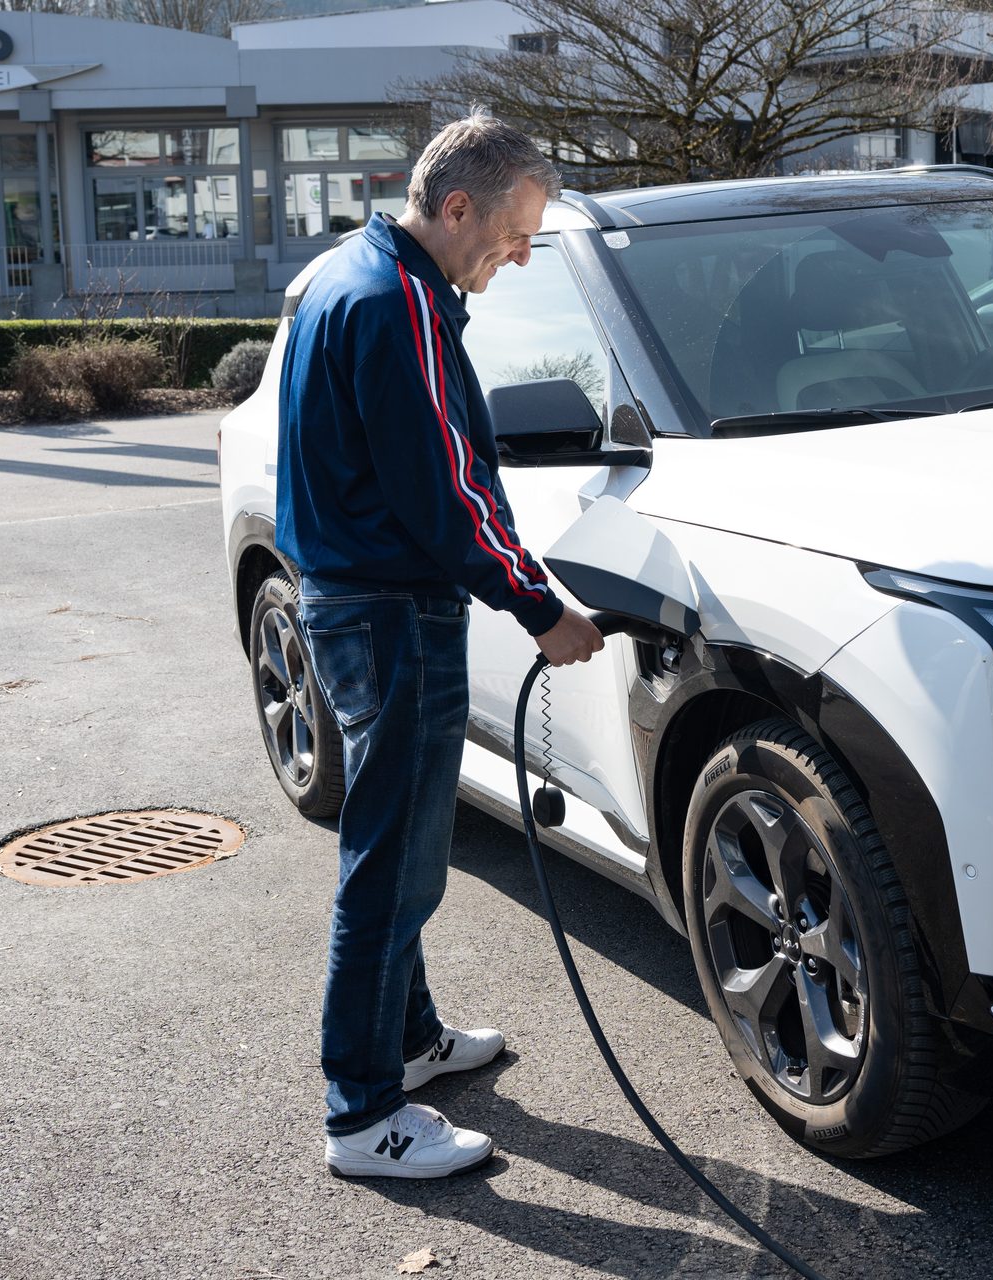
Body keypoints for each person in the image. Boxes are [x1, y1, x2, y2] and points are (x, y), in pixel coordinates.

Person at [276, 108, 605, 1179]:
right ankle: (363, 1111)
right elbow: (447, 493)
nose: (518, 256)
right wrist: (538, 606)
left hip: (348, 602)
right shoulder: (404, 301)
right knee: (393, 867)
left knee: (398, 845)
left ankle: (407, 1043)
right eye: (513, 234)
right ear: (456, 206)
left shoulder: (345, 277)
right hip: (391, 610)